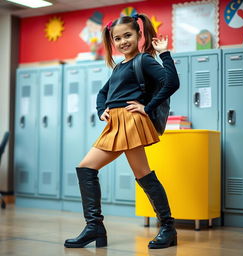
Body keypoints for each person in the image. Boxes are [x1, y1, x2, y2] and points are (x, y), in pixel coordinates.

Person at [64, 13, 180, 250]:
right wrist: (101, 110)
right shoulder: (119, 66)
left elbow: (171, 83)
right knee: (86, 168)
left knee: (143, 174)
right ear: (112, 42)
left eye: (128, 35)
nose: (123, 41)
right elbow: (102, 93)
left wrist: (147, 106)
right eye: (117, 38)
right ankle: (94, 226)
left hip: (130, 123)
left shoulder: (144, 60)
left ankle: (168, 227)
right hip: (114, 124)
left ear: (139, 34)